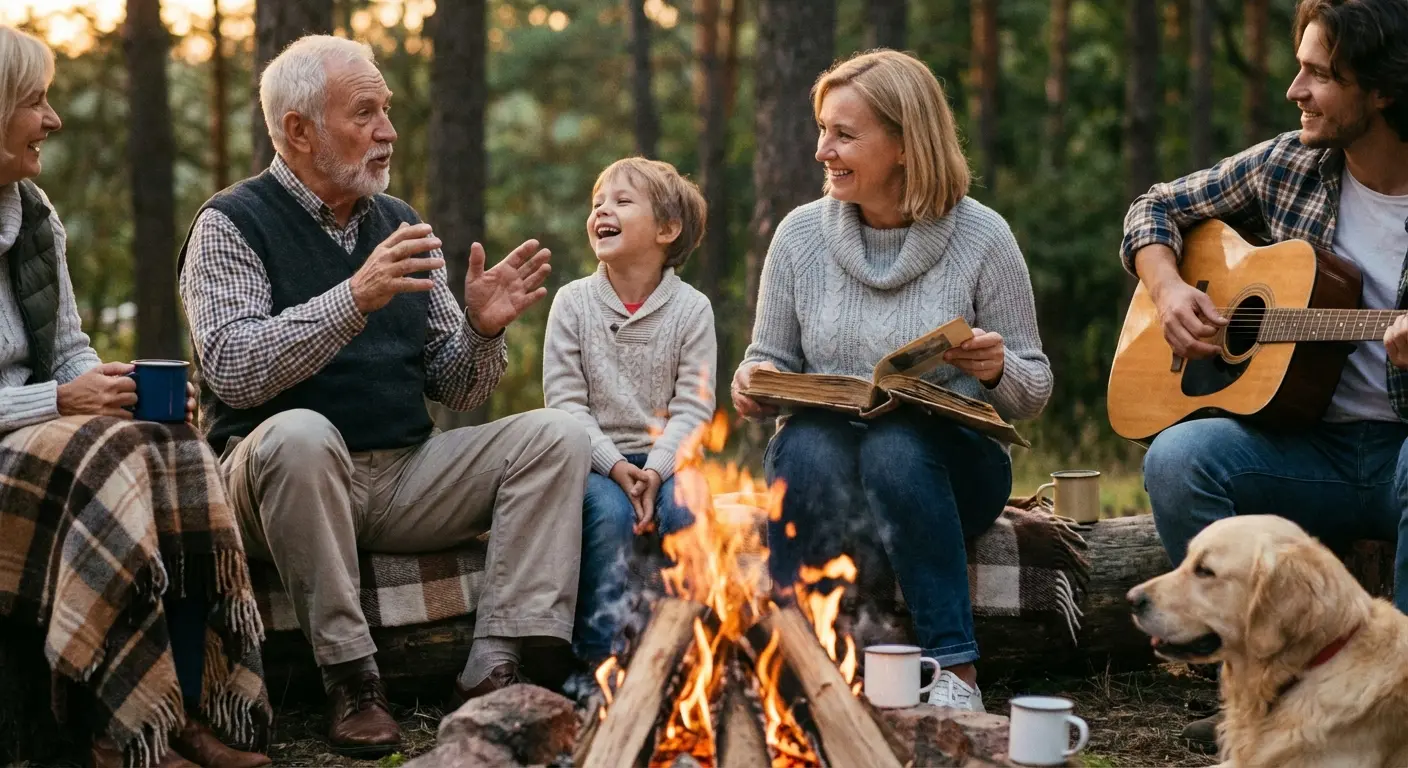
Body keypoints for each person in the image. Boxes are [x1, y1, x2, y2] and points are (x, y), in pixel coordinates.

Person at [177, 35, 590, 756]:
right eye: (364, 112)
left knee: (557, 436)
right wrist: (354, 297)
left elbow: (454, 384)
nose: (388, 132)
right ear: (298, 131)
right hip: (277, 477)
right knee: (301, 435)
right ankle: (352, 680)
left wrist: (483, 331)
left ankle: (494, 665)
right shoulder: (230, 223)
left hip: (401, 475)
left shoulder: (398, 221)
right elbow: (234, 369)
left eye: (388, 112)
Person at [1122, 0, 1408, 752]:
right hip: (1304, 450)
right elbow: (1153, 210)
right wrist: (1171, 291)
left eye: (1319, 74)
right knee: (1180, 459)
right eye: (1299, 66)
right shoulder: (1292, 163)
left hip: (1403, 455)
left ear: (1382, 91)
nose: (1295, 90)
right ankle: (1251, 687)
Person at [730, 49, 1052, 714]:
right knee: (811, 443)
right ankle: (795, 656)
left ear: (906, 144)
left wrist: (996, 368)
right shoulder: (798, 238)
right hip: (831, 469)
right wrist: (753, 387)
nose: (823, 150)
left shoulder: (983, 237)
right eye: (823, 130)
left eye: (844, 135)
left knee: (897, 444)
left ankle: (955, 671)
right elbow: (768, 359)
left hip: (950, 472)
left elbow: (1034, 389)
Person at [0, 24, 271, 768]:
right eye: (35, 102)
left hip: (50, 436)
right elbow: (58, 390)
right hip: (24, 441)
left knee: (171, 439)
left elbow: (68, 352)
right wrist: (60, 404)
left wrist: (111, 390)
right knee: (107, 452)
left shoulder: (33, 214)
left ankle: (175, 706)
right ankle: (114, 728)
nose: (51, 120)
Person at [543, 157, 715, 669]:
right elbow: (566, 405)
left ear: (667, 229)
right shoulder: (572, 304)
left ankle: (687, 659)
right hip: (596, 462)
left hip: (670, 460)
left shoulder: (692, 310)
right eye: (598, 203)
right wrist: (616, 468)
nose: (602, 211)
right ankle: (597, 665)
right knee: (611, 516)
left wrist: (657, 471)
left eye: (621, 201)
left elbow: (695, 406)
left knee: (687, 512)